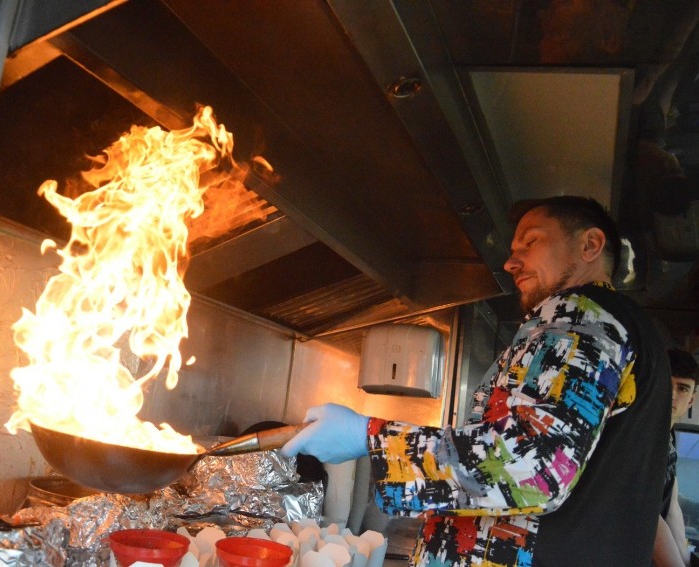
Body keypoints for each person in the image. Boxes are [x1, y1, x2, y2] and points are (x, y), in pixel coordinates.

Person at [282, 196, 672, 566]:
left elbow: (530, 465)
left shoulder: (581, 317)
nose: (510, 263)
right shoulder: (626, 330)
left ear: (590, 245)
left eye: (530, 243)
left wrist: (368, 436)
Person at [654, 349, 698, 566]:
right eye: (667, 383)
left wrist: (687, 561)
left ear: (691, 400)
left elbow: (671, 506)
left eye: (682, 388)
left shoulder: (667, 438)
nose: (672, 395)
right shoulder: (641, 437)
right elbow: (647, 516)